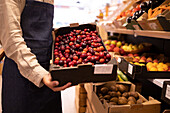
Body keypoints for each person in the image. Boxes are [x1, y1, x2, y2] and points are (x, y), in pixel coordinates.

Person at [0, 0, 71, 113]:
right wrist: (39, 74)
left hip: (48, 74)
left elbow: (42, 34)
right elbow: (12, 40)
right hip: (20, 76)